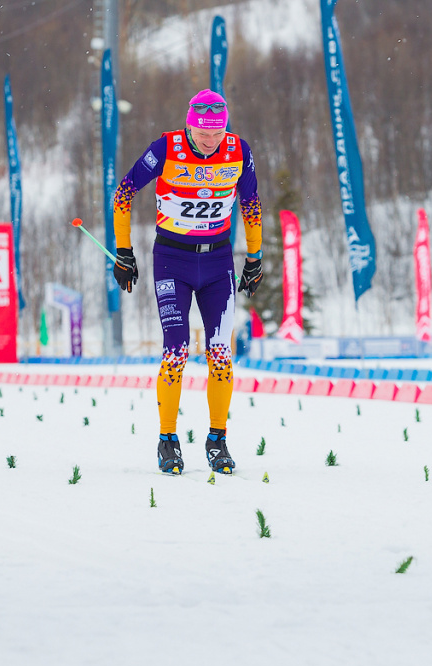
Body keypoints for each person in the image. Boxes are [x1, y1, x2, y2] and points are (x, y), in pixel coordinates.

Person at [112, 89, 263, 475]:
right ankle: (168, 440)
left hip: (217, 263)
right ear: (190, 125)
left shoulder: (238, 151)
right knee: (176, 349)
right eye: (203, 134)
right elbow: (124, 193)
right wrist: (124, 251)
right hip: (172, 261)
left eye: (217, 133)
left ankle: (217, 440)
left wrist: (254, 257)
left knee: (220, 353)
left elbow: (251, 205)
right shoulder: (166, 148)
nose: (210, 142)